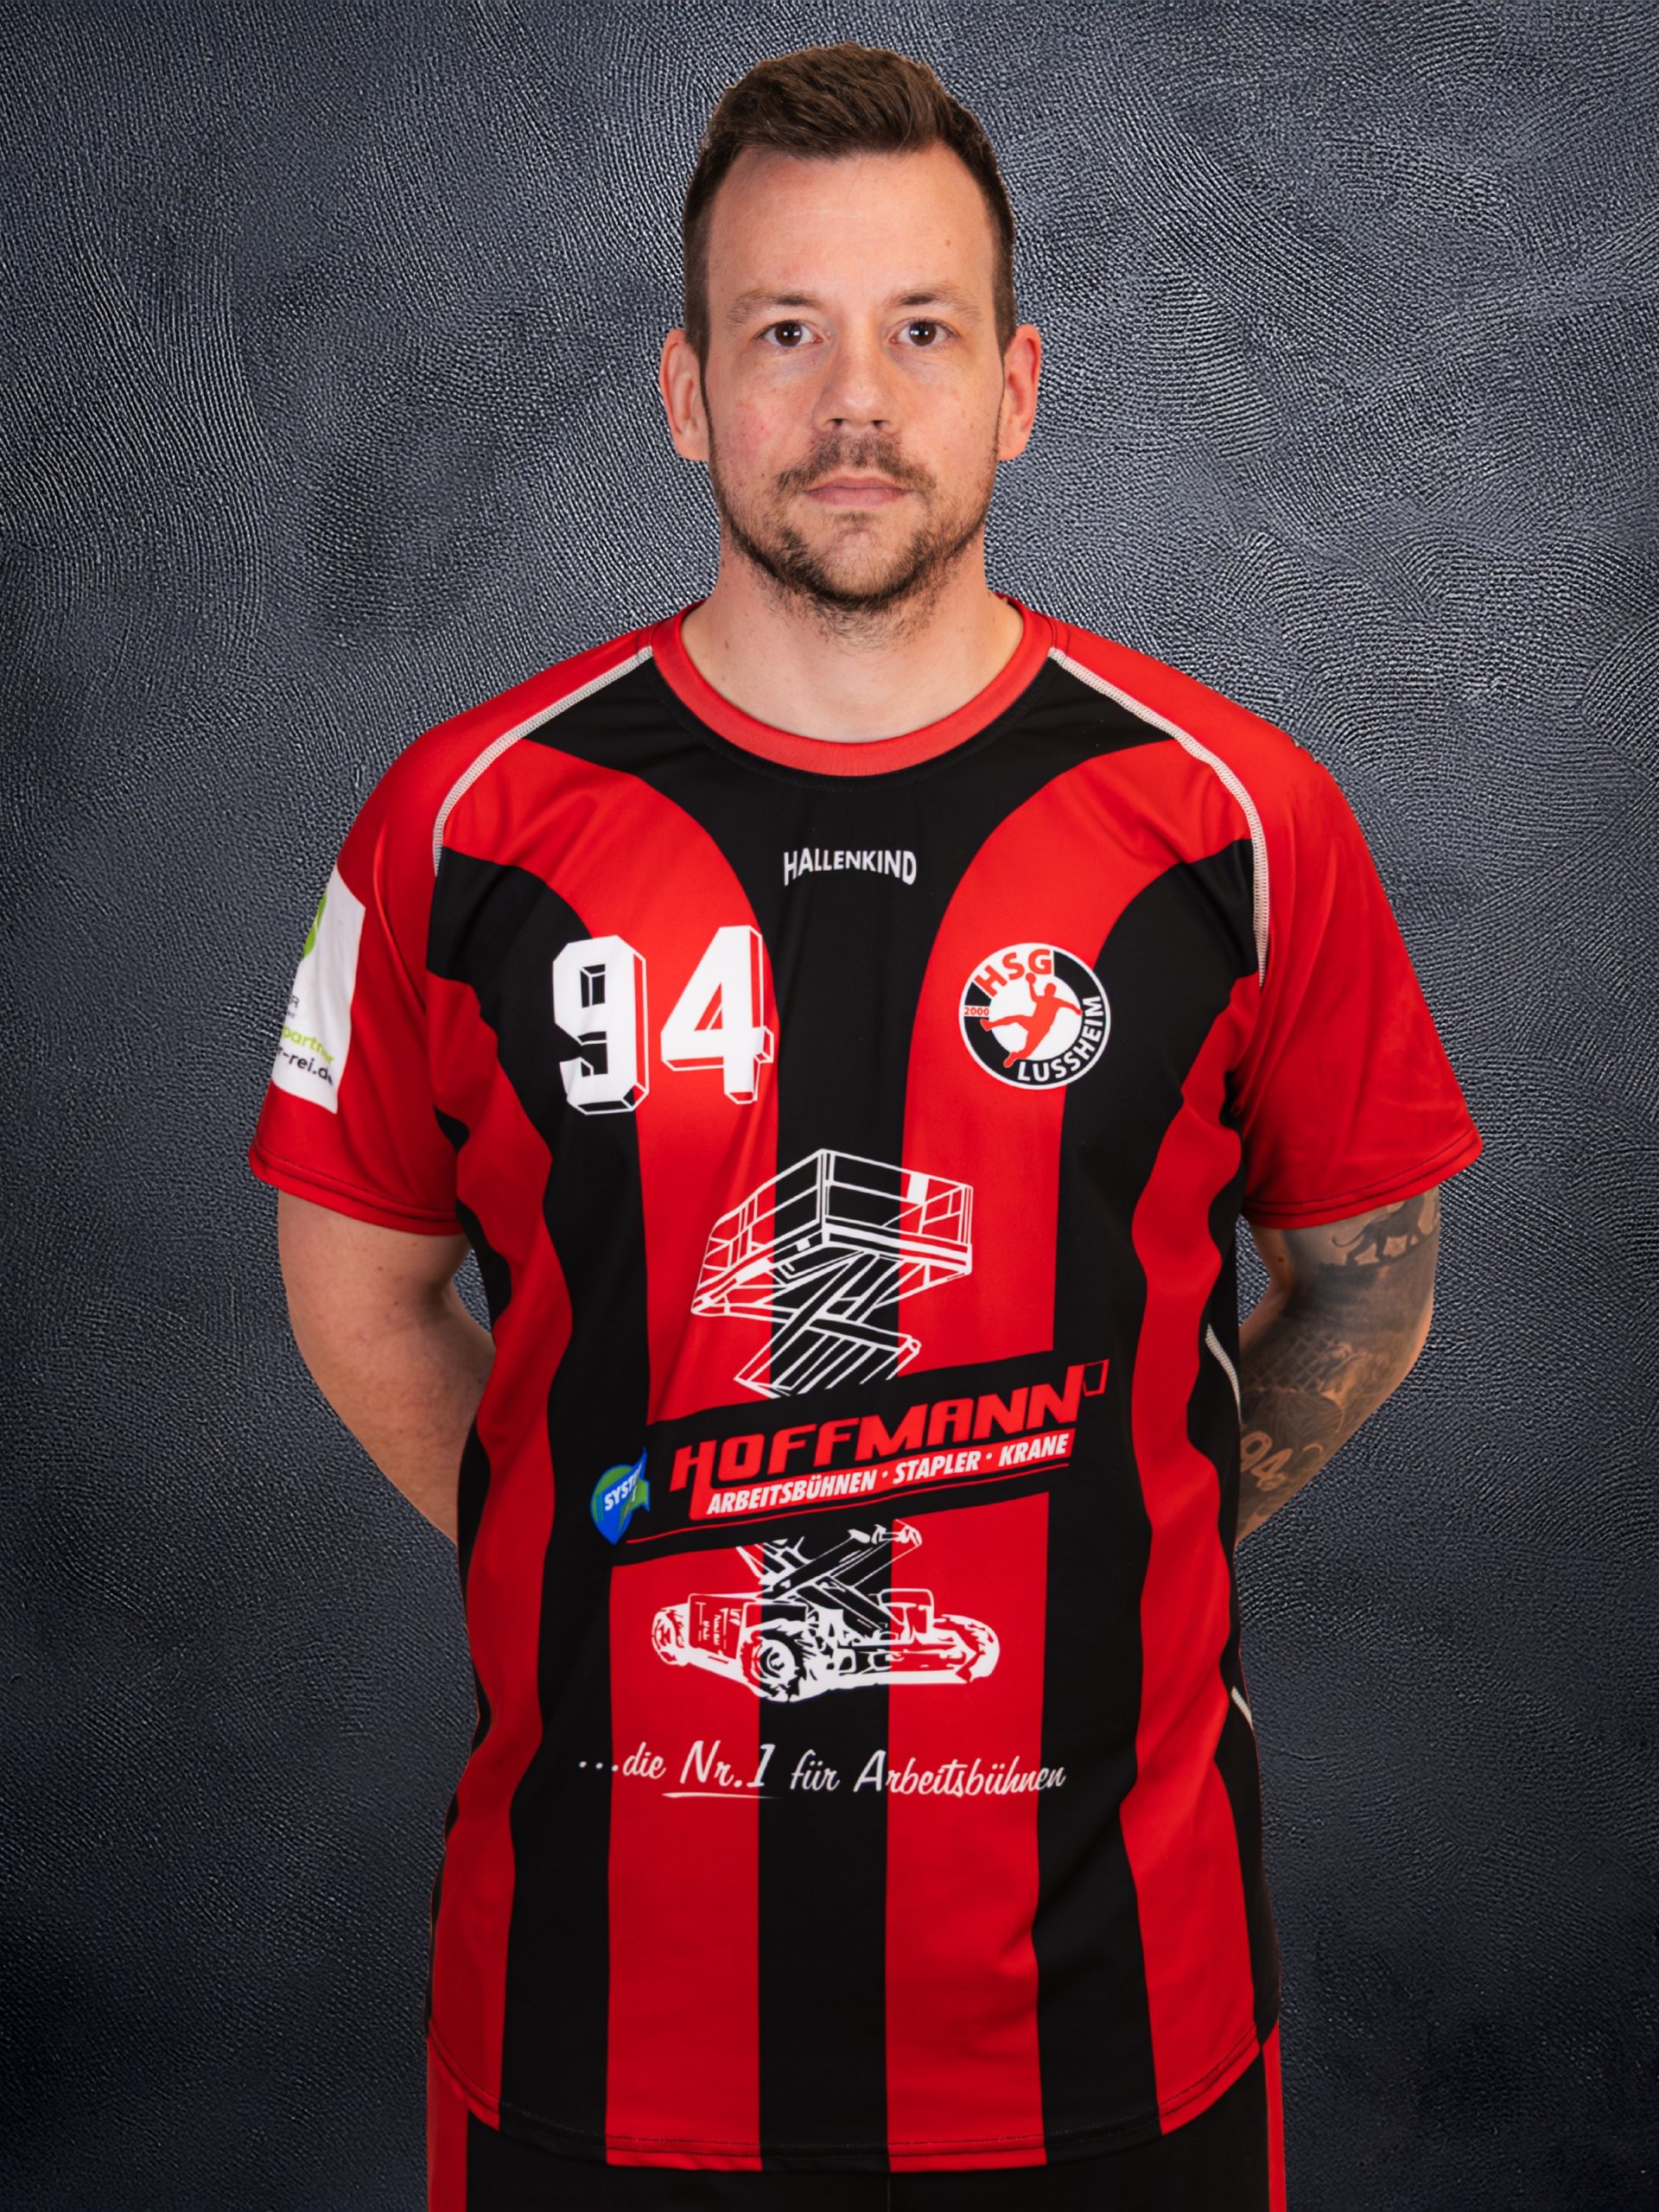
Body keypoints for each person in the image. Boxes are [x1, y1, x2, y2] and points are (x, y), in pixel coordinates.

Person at [246, 41, 1482, 2212]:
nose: (853, 402)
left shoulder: (1236, 818)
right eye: (782, 333)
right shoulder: (467, 822)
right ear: (684, 390)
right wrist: (616, 1549)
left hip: (1116, 2027)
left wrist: (1110, 1543)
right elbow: (361, 1301)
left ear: (1017, 385)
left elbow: (1367, 1290)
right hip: (593, 2034)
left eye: (920, 330)